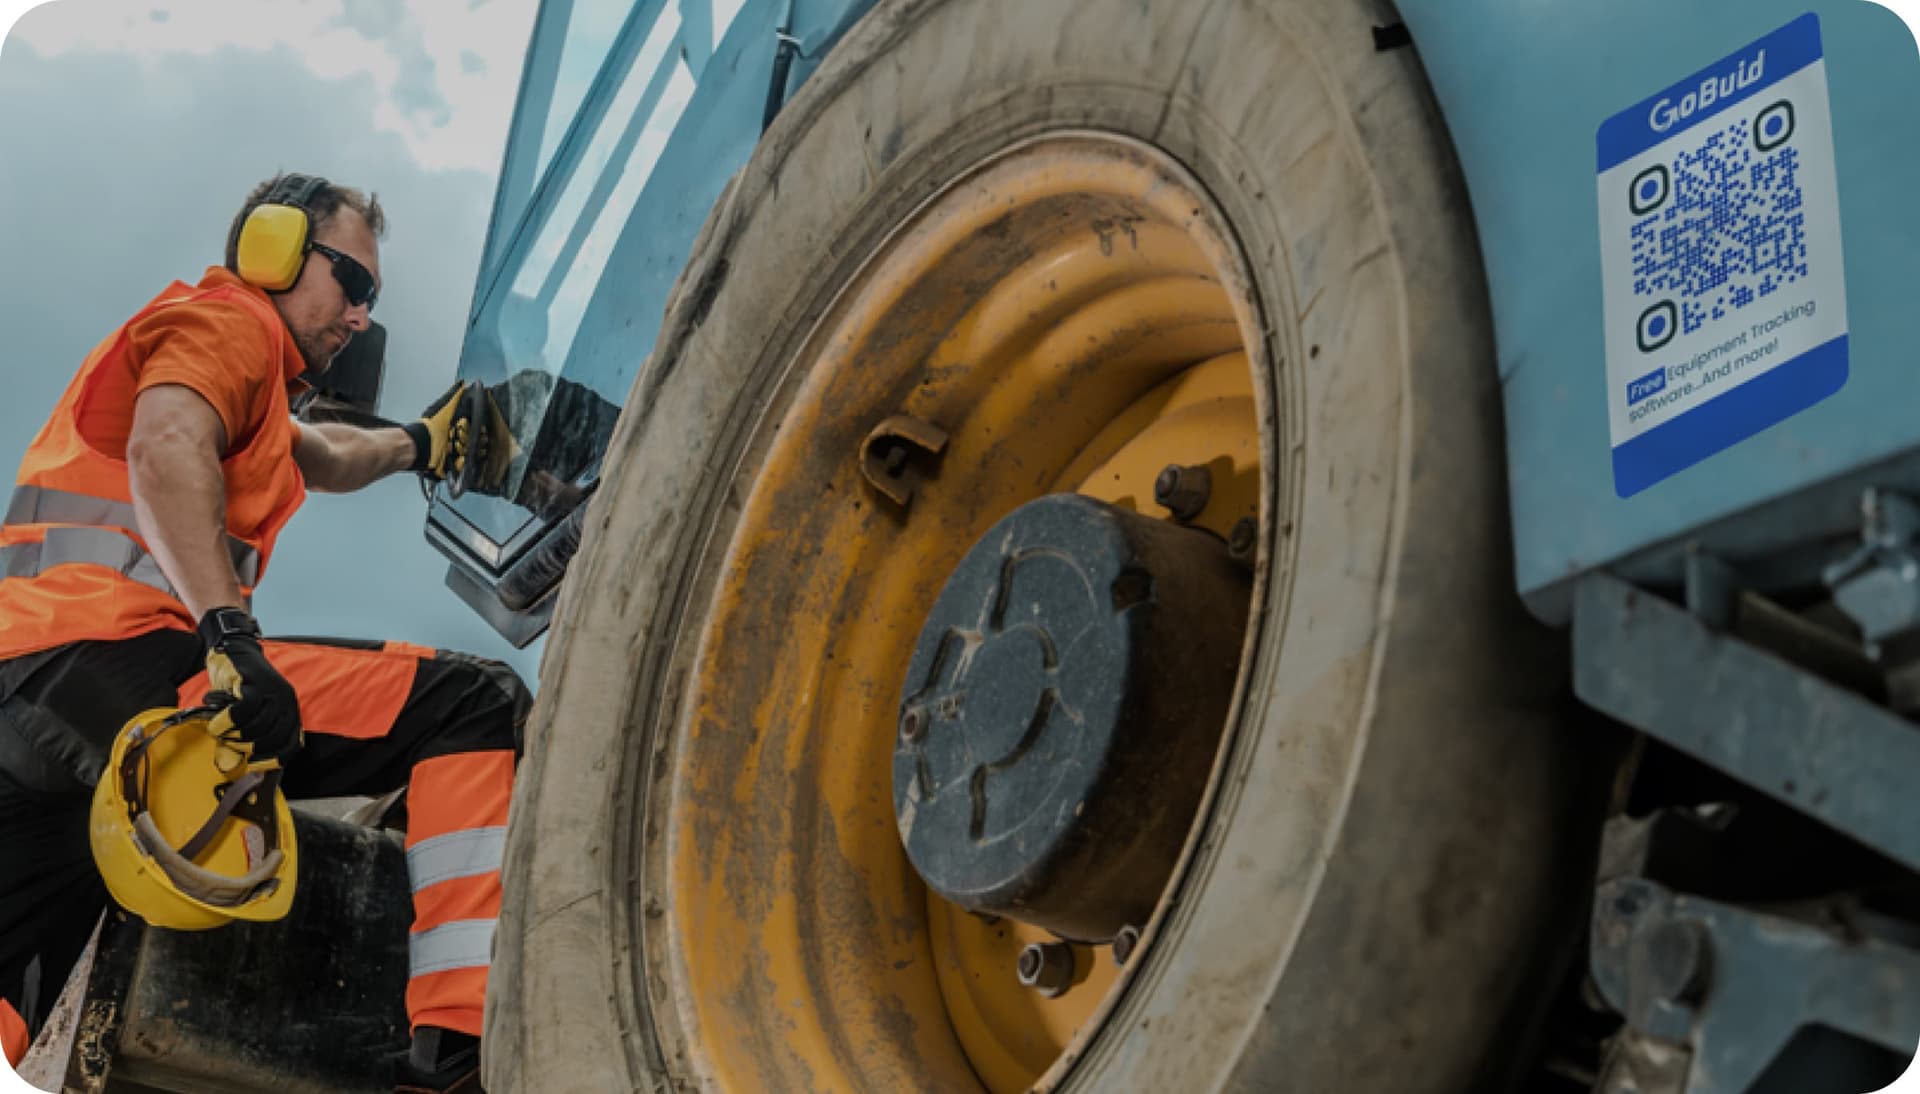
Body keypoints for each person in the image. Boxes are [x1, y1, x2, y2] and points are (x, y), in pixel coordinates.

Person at [0, 173, 525, 1094]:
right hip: (117, 665)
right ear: (273, 249)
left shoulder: (247, 379)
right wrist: (232, 641)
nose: (360, 318)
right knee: (471, 704)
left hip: (25, 696)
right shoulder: (227, 319)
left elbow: (325, 454)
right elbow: (165, 448)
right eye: (352, 284)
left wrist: (419, 443)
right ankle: (459, 1054)